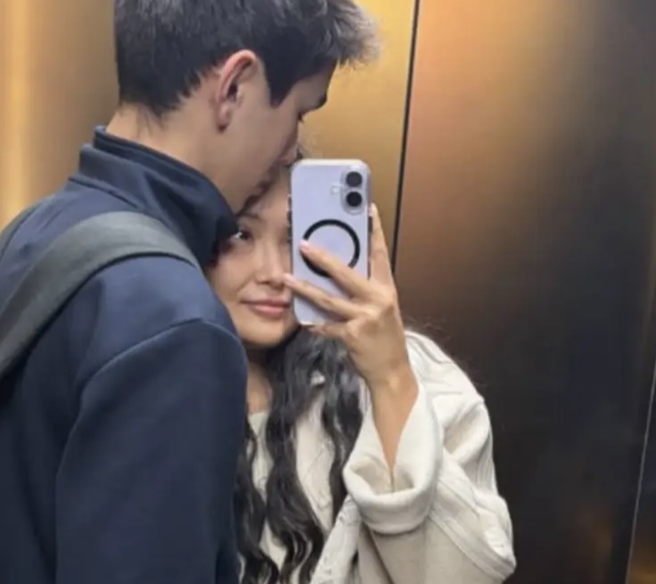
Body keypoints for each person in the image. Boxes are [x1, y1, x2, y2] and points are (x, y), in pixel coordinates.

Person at [0, 0, 376, 583]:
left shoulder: (38, 230)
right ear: (234, 86)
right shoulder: (175, 317)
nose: (291, 150)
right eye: (297, 111)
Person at [206, 162, 517, 584]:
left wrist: (390, 378)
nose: (275, 274)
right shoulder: (163, 385)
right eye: (243, 235)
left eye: (295, 238)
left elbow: (465, 576)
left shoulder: (415, 374)